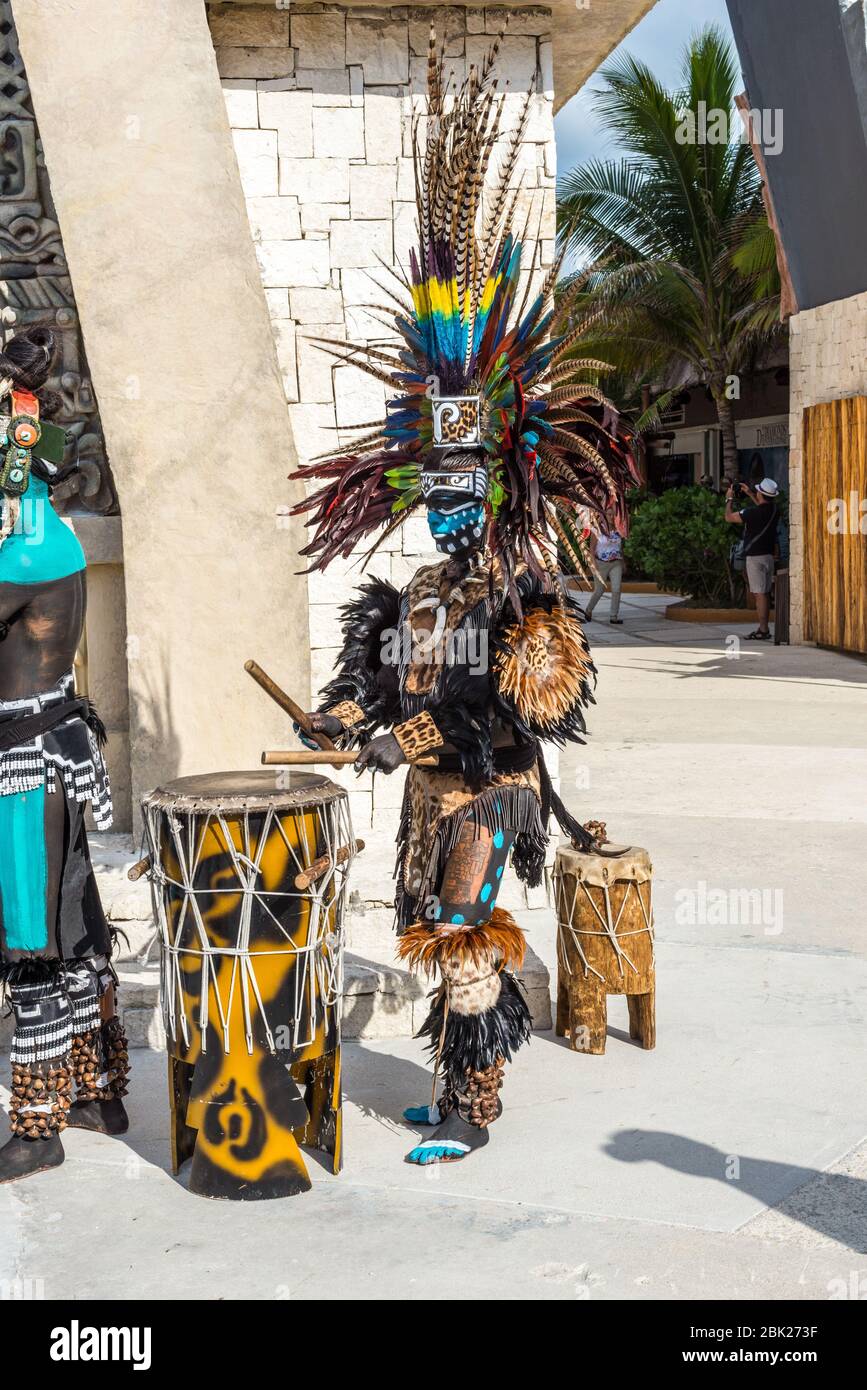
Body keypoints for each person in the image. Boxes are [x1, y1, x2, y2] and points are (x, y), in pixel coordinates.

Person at [289, 30, 639, 1168]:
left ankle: (475, 1106)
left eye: (464, 487)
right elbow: (375, 675)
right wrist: (342, 721)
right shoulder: (425, 587)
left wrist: (411, 735)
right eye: (432, 488)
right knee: (433, 937)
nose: (446, 510)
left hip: (486, 795)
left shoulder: (522, 592)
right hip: (430, 793)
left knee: (464, 934)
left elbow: (517, 713)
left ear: (494, 478)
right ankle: (456, 1087)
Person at [0, 326, 129, 1185]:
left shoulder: (26, 544)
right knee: (72, 922)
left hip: (26, 769)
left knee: (33, 935)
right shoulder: (43, 529)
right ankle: (98, 1087)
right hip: (50, 756)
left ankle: (38, 1124)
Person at [725, 476, 780, 641]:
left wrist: (729, 498)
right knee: (765, 591)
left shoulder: (751, 513)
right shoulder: (774, 510)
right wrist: (750, 494)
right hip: (768, 556)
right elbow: (762, 507)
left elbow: (728, 517)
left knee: (760, 594)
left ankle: (763, 630)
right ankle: (763, 628)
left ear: (760, 493)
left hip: (755, 558)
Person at [585, 510, 625, 624]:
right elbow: (591, 550)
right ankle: (588, 610)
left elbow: (620, 547)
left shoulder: (618, 529)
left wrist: (624, 562)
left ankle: (614, 616)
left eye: (613, 514)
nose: (611, 517)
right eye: (609, 514)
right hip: (601, 563)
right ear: (604, 516)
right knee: (599, 590)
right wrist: (593, 565)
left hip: (616, 563)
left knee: (616, 589)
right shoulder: (597, 530)